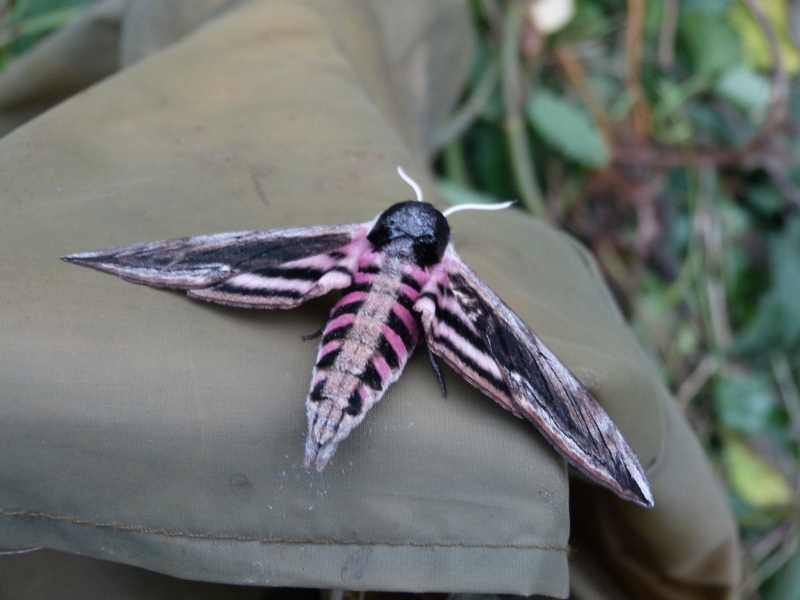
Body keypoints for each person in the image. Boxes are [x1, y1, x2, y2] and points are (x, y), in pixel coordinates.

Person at [0, 1, 740, 598]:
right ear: (440, 257)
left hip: (316, 353)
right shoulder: (458, 286)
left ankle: (322, 419)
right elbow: (531, 373)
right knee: (547, 385)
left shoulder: (338, 244)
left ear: (375, 235)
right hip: (376, 385)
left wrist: (123, 255)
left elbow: (212, 258)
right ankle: (602, 457)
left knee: (190, 259)